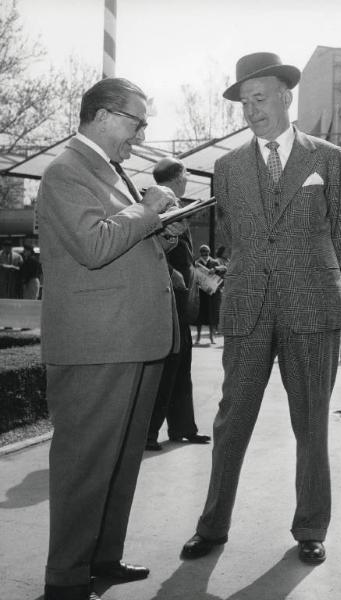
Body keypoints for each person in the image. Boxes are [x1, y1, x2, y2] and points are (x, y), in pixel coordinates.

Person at [182, 52, 341, 564]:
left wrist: (308, 274)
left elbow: (340, 228)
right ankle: (212, 526)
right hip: (248, 306)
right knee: (232, 420)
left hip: (313, 306)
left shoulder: (327, 158)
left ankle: (311, 528)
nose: (252, 110)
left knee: (312, 422)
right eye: (244, 103)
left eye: (260, 99)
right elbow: (232, 235)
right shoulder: (227, 167)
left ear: (285, 96)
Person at [38, 77, 185, 600]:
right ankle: (67, 578)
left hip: (132, 339)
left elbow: (120, 237)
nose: (141, 133)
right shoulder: (65, 172)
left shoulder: (109, 170)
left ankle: (102, 557)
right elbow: (94, 245)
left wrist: (159, 226)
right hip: (98, 346)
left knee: (120, 461)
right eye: (135, 121)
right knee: (85, 466)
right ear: (102, 116)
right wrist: (147, 211)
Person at [146, 157, 211, 450]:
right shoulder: (155, 203)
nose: (187, 179)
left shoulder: (176, 206)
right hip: (165, 298)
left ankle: (183, 427)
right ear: (178, 176)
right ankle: (147, 433)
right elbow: (152, 249)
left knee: (181, 363)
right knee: (168, 365)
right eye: (185, 174)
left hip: (180, 299)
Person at [194, 244, 222, 344]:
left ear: (209, 252)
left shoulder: (215, 262)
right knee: (200, 316)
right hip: (200, 293)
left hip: (211, 293)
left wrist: (215, 269)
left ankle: (211, 336)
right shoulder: (196, 263)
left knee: (212, 315)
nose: (205, 253)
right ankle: (198, 337)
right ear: (200, 252)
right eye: (203, 251)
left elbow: (224, 269)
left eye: (207, 251)